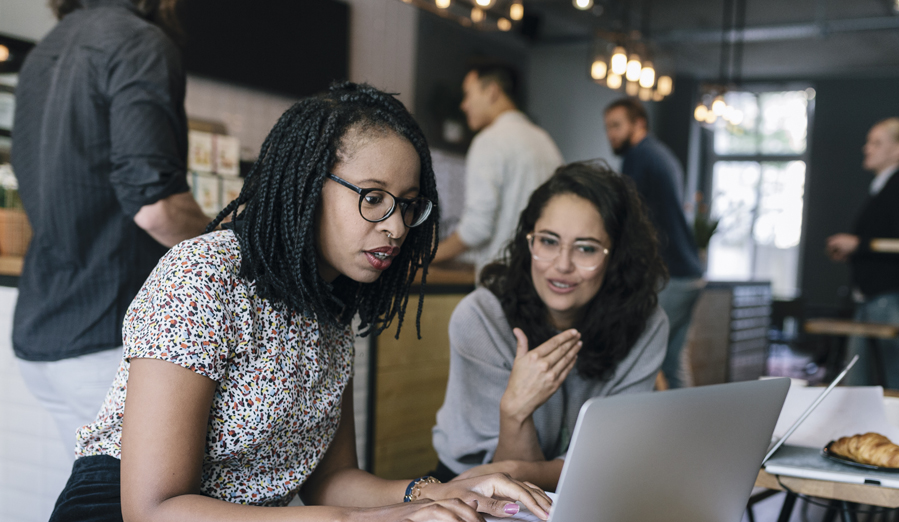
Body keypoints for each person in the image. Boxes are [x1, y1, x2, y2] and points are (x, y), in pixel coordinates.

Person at [48, 82, 551, 522]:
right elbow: (154, 508)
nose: (396, 226)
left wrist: (438, 493)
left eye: (407, 204)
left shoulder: (330, 309)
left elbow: (331, 481)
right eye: (372, 197)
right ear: (309, 185)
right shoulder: (204, 275)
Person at [10, 0, 210, 457]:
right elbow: (155, 207)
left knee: (90, 500)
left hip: (45, 327)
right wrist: (230, 241)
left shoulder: (47, 49)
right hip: (106, 338)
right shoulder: (140, 42)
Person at [432, 161, 670, 491]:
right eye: (548, 241)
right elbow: (507, 487)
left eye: (586, 248)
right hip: (471, 491)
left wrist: (541, 468)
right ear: (529, 242)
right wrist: (515, 412)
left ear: (616, 257)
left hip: (583, 488)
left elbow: (612, 461)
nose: (561, 265)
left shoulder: (646, 324)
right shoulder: (481, 319)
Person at [603, 97, 703, 389]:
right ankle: (690, 430)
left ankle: (646, 431)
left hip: (670, 275)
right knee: (673, 362)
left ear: (639, 124)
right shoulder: (663, 154)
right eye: (608, 127)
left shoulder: (638, 156)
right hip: (690, 274)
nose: (611, 133)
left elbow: (624, 216)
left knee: (638, 357)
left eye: (617, 125)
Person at [826, 117, 899, 390]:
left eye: (876, 143)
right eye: (868, 142)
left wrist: (858, 245)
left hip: (890, 300)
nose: (867, 148)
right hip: (874, 297)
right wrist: (855, 251)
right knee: (858, 383)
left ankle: (894, 434)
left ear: (898, 150)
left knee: (891, 382)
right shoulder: (884, 188)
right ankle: (861, 434)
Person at [433, 61, 563, 277]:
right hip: (542, 275)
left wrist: (427, 257)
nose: (464, 105)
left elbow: (477, 229)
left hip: (503, 279)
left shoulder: (490, 140)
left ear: (492, 92)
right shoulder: (546, 141)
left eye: (468, 94)